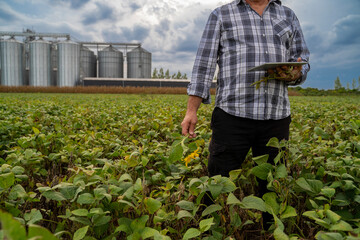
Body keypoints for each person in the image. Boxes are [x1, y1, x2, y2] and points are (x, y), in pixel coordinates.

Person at [181, 0, 310, 226]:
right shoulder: (222, 15)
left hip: (276, 116)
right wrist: (192, 110)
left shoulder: (288, 15)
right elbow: (204, 63)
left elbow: (302, 60)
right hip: (232, 115)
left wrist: (295, 73)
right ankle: (209, 228)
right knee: (218, 181)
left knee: (272, 183)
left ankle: (270, 230)